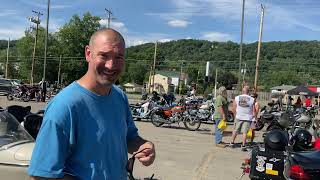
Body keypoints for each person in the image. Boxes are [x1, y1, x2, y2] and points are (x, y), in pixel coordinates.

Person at [28, 28, 156, 180]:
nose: (111, 65)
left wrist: (143, 146)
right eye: (104, 55)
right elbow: (41, 175)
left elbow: (129, 138)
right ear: (88, 53)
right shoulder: (64, 106)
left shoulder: (119, 96)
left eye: (118, 57)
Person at [230, 86, 255, 151]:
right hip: (247, 118)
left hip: (239, 116)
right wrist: (253, 118)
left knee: (235, 130)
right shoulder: (252, 99)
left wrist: (235, 115)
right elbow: (253, 110)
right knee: (245, 132)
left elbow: (233, 108)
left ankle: (232, 143)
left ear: (242, 91)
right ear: (248, 92)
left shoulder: (237, 98)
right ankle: (243, 145)